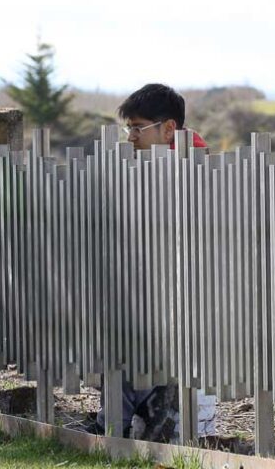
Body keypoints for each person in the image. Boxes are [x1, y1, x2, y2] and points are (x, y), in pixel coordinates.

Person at [90, 83, 215, 442]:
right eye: (128, 128)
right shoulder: (142, 171)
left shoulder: (196, 173)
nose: (130, 137)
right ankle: (115, 429)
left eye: (137, 128)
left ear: (168, 129)